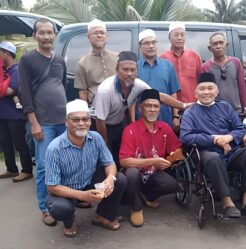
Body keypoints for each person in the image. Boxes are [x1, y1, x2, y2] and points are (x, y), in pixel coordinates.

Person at [180, 72, 246, 219]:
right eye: (202, 89)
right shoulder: (190, 113)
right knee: (213, 158)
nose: (206, 92)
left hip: (231, 151)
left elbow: (239, 129)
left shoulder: (225, 107)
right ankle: (227, 203)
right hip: (207, 153)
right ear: (195, 92)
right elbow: (186, 136)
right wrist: (214, 139)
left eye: (210, 88)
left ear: (216, 91)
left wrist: (229, 137)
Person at [45, 99, 127, 237]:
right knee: (60, 208)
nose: (82, 123)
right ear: (66, 122)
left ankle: (101, 215)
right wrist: (82, 195)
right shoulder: (54, 148)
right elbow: (52, 186)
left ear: (90, 121)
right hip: (66, 190)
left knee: (120, 179)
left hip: (89, 182)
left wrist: (110, 179)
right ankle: (69, 222)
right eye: (76, 120)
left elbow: (109, 163)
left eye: (85, 119)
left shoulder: (96, 138)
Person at [94, 51, 190, 167]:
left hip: (119, 122)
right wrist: (105, 145)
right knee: (106, 158)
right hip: (102, 126)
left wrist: (184, 106)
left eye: (133, 70)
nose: (129, 73)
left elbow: (157, 96)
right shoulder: (105, 90)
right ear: (117, 70)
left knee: (121, 158)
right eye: (125, 70)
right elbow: (100, 121)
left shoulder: (137, 84)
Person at [18, 18, 67, 226]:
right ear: (34, 36)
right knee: (44, 167)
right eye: (42, 32)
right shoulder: (27, 60)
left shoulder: (60, 60)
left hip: (63, 123)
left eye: (50, 32)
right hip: (43, 124)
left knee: (64, 164)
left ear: (55, 35)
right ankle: (45, 208)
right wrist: (34, 123)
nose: (46, 36)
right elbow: (25, 94)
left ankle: (66, 200)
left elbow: (61, 87)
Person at [119, 89, 181, 227]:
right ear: (141, 108)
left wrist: (171, 159)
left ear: (159, 109)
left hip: (153, 174)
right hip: (134, 175)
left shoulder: (164, 127)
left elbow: (177, 149)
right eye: (148, 106)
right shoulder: (130, 130)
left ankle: (148, 196)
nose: (152, 110)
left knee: (173, 185)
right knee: (132, 172)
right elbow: (124, 161)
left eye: (156, 106)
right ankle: (136, 208)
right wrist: (154, 161)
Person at [74, 19, 118, 130]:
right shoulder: (83, 63)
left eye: (102, 33)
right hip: (96, 114)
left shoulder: (118, 58)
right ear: (88, 36)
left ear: (107, 36)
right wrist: (85, 117)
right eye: (95, 33)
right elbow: (83, 94)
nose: (99, 35)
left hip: (118, 113)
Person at [0, 41, 33, 182]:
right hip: (2, 114)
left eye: (0, 52)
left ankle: (26, 170)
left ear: (7, 53)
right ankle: (11, 168)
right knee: (5, 143)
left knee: (19, 143)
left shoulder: (17, 71)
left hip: (15, 115)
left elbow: (9, 90)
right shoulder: (2, 71)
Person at [137, 29, 181, 128]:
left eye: (153, 42)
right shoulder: (135, 68)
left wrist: (175, 116)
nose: (151, 46)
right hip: (142, 120)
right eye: (147, 43)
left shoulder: (168, 66)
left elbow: (173, 93)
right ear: (140, 46)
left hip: (165, 118)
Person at [201, 32, 246, 117]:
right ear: (210, 48)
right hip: (216, 112)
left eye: (221, 43)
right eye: (215, 44)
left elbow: (241, 85)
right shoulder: (206, 67)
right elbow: (206, 92)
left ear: (226, 45)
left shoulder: (235, 62)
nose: (218, 46)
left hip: (236, 111)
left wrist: (245, 106)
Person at [160, 22, 202, 103]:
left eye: (182, 35)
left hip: (192, 106)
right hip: (171, 107)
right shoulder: (162, 58)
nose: (179, 38)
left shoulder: (194, 56)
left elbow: (201, 82)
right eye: (176, 35)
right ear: (169, 37)